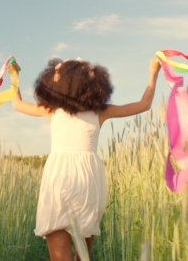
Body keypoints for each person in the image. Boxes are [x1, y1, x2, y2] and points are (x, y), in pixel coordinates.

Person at [10, 57, 160, 261]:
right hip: (85, 180)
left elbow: (17, 104)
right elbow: (144, 105)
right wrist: (153, 73)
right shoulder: (97, 111)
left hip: (62, 179)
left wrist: (14, 75)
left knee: (70, 255)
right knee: (82, 256)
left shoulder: (54, 111)